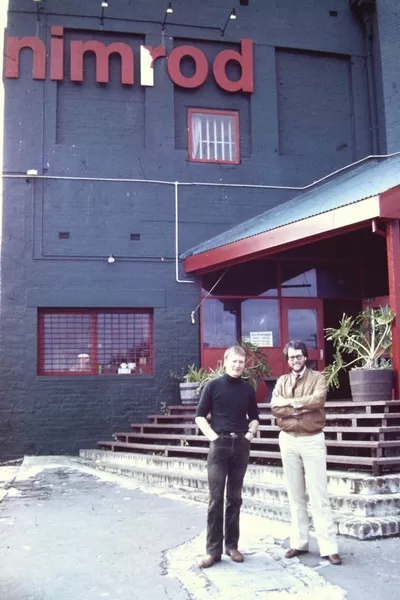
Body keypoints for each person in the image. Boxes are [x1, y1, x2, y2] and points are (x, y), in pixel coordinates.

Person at [270, 340, 342, 566]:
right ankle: (299, 542)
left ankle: (328, 547)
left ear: (305, 357)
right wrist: (300, 407)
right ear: (287, 359)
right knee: (295, 494)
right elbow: (275, 407)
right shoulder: (282, 381)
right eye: (291, 357)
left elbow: (318, 399)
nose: (295, 361)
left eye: (299, 356)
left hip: (312, 440)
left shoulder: (318, 378)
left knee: (319, 495)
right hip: (288, 440)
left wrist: (290, 404)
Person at [195, 345, 260, 569]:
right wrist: (213, 437)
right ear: (225, 361)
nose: (237, 365)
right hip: (219, 446)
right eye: (234, 361)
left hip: (241, 445)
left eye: (241, 362)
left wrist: (249, 435)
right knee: (215, 500)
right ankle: (212, 551)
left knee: (235, 498)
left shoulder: (247, 389)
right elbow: (199, 416)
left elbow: (255, 417)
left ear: (245, 364)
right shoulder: (213, 386)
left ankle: (232, 546)